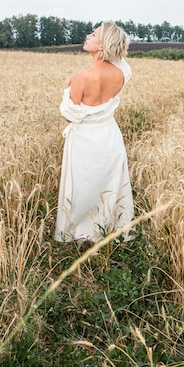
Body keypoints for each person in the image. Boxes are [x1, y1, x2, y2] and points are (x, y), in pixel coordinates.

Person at [54, 21, 134, 244]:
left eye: (94, 34)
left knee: (83, 186)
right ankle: (107, 229)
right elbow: (120, 62)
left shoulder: (81, 77)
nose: (88, 36)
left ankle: (78, 232)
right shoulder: (122, 73)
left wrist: (66, 86)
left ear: (102, 46)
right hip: (109, 136)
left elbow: (69, 114)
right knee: (108, 185)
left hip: (84, 141)